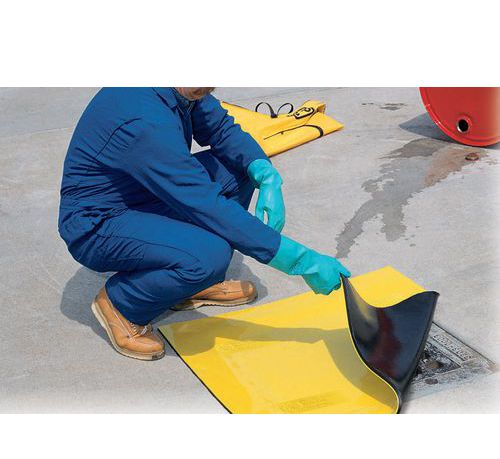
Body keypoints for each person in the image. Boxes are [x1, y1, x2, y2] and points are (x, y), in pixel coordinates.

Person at [58, 87, 350, 361]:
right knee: (208, 257)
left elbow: (221, 129)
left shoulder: (184, 89)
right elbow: (204, 203)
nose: (209, 88)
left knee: (238, 167)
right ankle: (122, 303)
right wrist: (300, 261)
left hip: (144, 193)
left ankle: (184, 284)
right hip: (99, 225)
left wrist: (264, 172)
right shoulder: (144, 120)